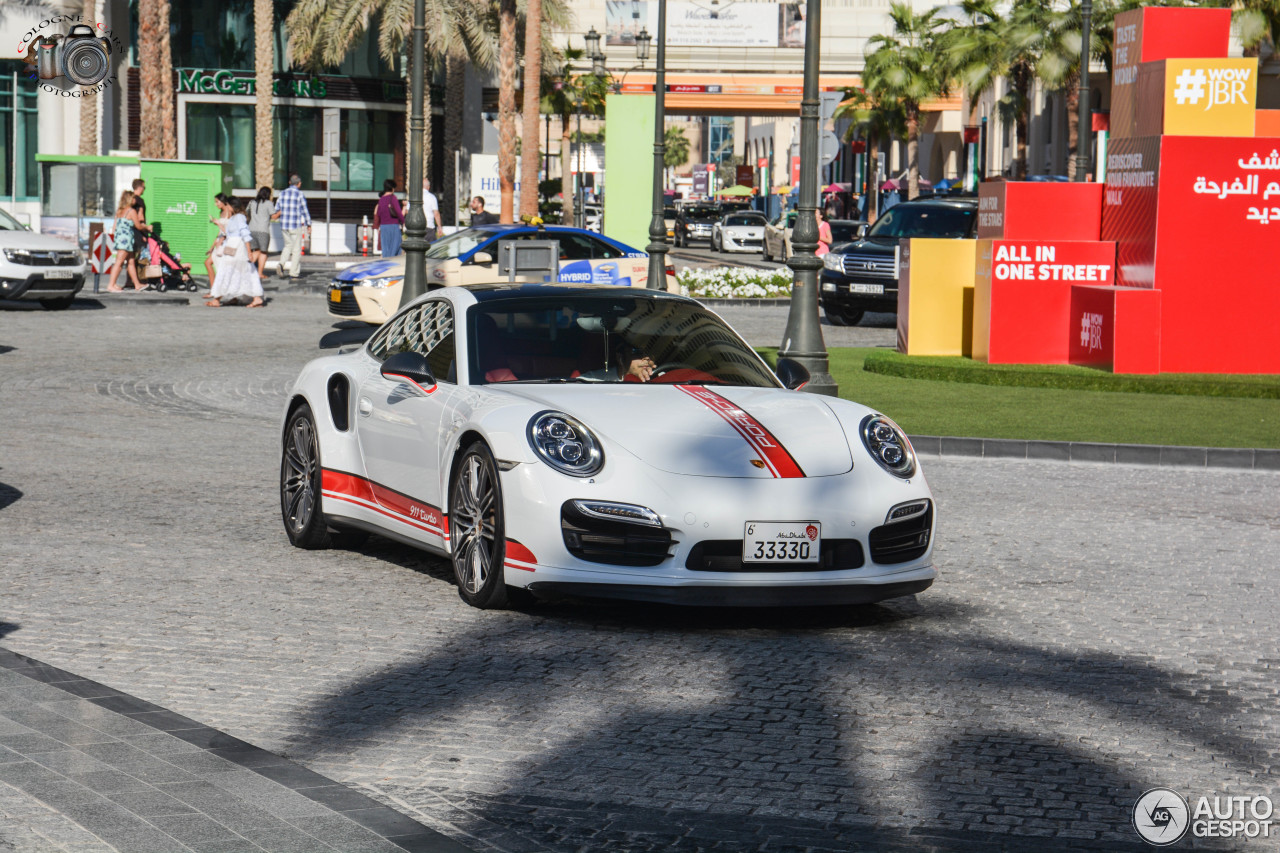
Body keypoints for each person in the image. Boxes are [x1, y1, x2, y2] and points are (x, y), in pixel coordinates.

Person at [207, 198, 264, 308]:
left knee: (229, 269)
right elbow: (229, 233)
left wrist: (249, 252)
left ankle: (217, 299)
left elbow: (245, 234)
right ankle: (245, 297)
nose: (227, 207)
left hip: (236, 246)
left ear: (232, 206)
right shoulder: (234, 217)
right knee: (238, 270)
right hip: (231, 245)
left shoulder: (239, 217)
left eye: (228, 205)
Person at [105, 190, 145, 292]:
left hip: (120, 238)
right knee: (119, 262)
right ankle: (111, 285)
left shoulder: (119, 211)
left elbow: (115, 226)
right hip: (126, 239)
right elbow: (138, 226)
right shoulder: (131, 211)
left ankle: (137, 284)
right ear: (129, 199)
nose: (135, 200)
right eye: (133, 198)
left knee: (131, 262)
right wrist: (147, 228)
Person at [277, 174, 311, 279]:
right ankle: (294, 272)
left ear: (289, 182)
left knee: (287, 246)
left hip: (284, 225)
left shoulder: (282, 193)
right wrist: (308, 224)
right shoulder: (299, 194)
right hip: (295, 225)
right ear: (299, 183)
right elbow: (304, 210)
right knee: (296, 249)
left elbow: (277, 208)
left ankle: (281, 263)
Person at [247, 186, 275, 277]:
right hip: (263, 231)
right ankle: (258, 273)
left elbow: (247, 213)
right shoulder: (268, 203)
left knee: (255, 250)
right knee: (263, 252)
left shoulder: (251, 202)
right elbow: (274, 216)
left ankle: (249, 269)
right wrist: (281, 211)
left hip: (251, 230)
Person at [373, 179, 404, 257]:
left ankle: (386, 264)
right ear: (392, 188)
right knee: (396, 247)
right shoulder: (393, 198)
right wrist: (404, 221)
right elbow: (398, 211)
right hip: (393, 226)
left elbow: (379, 213)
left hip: (383, 227)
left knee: (386, 249)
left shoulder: (381, 199)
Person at [422, 177, 443, 242]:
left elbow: (408, 211)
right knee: (431, 248)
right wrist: (439, 226)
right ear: (428, 187)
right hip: (429, 226)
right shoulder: (431, 197)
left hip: (416, 227)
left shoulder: (413, 196)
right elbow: (436, 213)